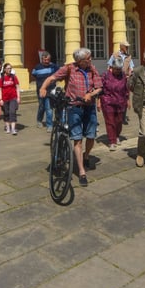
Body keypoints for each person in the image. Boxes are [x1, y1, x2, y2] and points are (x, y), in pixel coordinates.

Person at [39, 48, 103, 186]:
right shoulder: (69, 69)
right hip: (74, 108)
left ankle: (86, 156)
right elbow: (52, 78)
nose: (91, 60)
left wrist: (90, 95)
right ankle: (81, 172)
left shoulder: (92, 69)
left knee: (91, 136)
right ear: (80, 61)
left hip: (89, 108)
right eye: (88, 58)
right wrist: (43, 88)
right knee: (77, 140)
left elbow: (99, 87)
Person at [100, 57, 130, 149]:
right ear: (112, 67)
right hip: (107, 101)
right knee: (110, 122)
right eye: (116, 69)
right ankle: (112, 141)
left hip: (120, 101)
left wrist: (128, 100)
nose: (118, 71)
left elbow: (126, 88)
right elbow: (100, 89)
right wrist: (98, 102)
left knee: (119, 121)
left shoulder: (123, 76)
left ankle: (117, 136)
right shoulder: (105, 75)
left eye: (119, 69)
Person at [31, 52, 59, 130]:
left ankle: (49, 125)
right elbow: (34, 75)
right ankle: (39, 120)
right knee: (41, 107)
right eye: (45, 59)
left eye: (48, 60)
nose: (46, 61)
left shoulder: (54, 66)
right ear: (42, 59)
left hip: (50, 90)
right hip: (40, 90)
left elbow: (59, 74)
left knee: (49, 108)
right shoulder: (37, 67)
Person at [0, 62, 21, 134]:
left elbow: (17, 87)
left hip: (13, 97)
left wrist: (18, 97)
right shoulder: (1, 78)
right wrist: (0, 99)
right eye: (8, 68)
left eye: (10, 68)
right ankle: (8, 128)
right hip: (4, 98)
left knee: (12, 112)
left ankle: (13, 129)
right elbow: (0, 89)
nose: (9, 70)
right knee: (6, 113)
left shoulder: (14, 77)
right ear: (4, 69)